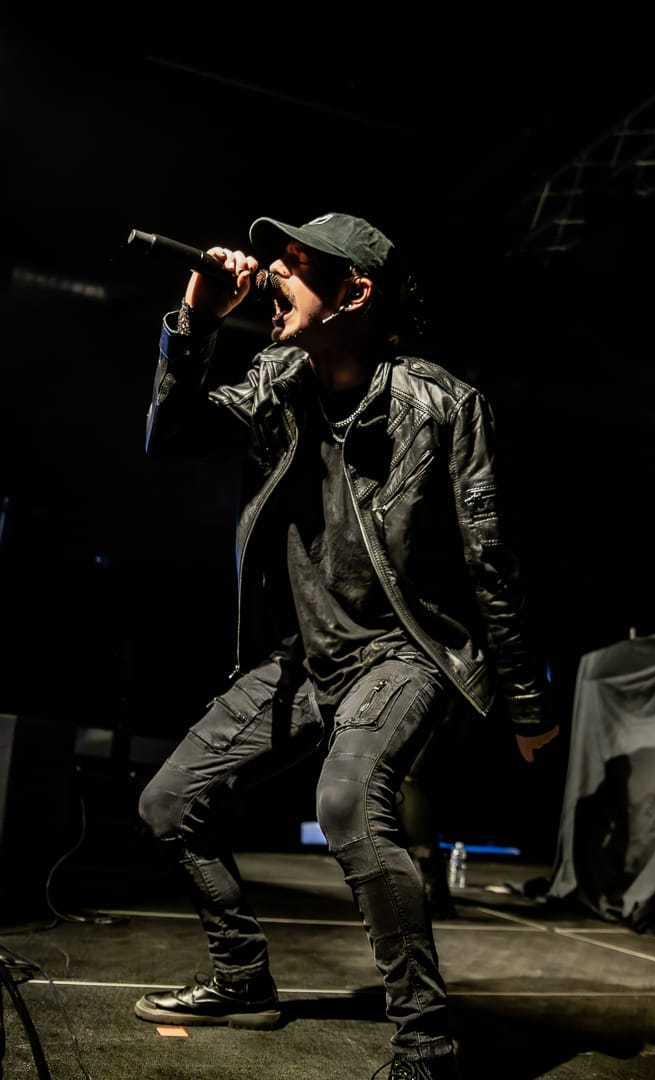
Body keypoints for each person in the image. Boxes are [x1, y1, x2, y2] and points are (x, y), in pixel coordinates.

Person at [133, 210, 559, 1080]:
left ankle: (425, 1044)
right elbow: (169, 435)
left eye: (295, 264)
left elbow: (492, 562)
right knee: (170, 804)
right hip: (304, 658)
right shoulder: (279, 379)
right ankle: (242, 979)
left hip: (402, 653)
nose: (274, 275)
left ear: (355, 293)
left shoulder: (442, 405)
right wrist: (196, 321)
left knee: (346, 804)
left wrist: (526, 703)